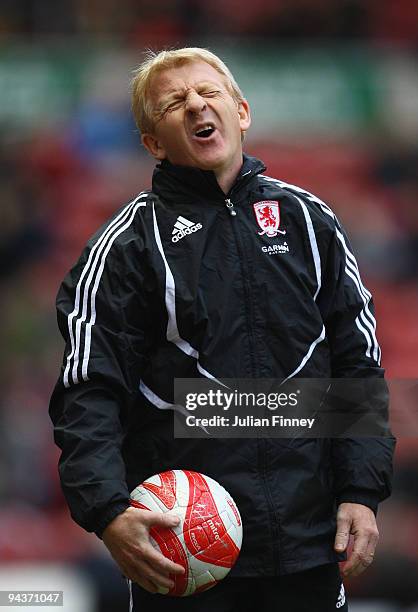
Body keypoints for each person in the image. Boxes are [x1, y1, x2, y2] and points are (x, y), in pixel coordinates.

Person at [49, 47, 395, 611]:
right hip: (183, 558)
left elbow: (355, 360)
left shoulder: (309, 221)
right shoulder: (127, 248)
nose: (195, 106)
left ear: (241, 112)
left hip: (306, 547)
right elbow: (88, 391)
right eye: (173, 103)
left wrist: (360, 491)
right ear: (153, 143)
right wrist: (109, 512)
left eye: (208, 93)